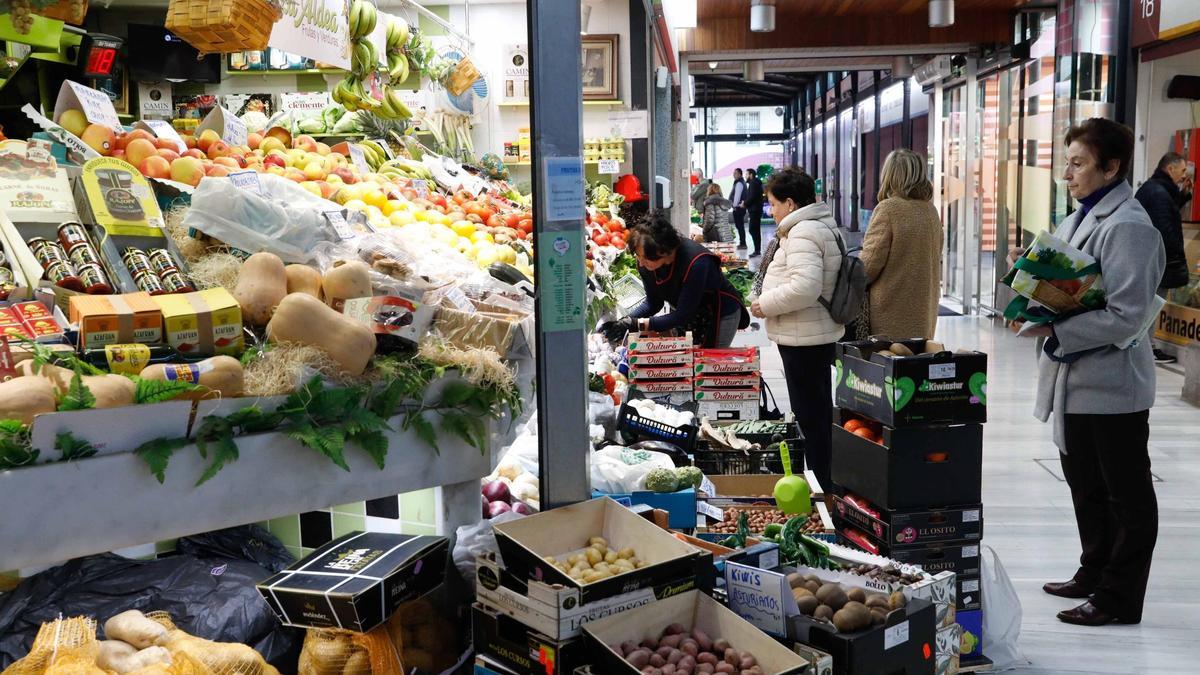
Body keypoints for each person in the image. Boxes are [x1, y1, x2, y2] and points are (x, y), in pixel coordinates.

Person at [1011, 118, 1162, 627]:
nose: (1066, 174)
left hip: (1113, 386)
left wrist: (1055, 333)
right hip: (1077, 381)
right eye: (1067, 162)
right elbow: (1074, 284)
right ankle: (1094, 568)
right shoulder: (1086, 214)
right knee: (1086, 484)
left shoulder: (1130, 227)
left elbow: (1125, 313)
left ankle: (1118, 597)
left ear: (1111, 167)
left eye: (1078, 163)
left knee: (1126, 495)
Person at [748, 168, 843, 488]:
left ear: (790, 203)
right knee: (815, 412)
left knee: (812, 416)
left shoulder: (803, 232)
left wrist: (766, 304)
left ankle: (822, 485)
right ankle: (823, 478)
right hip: (810, 332)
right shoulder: (814, 226)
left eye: (773, 204)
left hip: (806, 338)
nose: (770, 210)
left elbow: (805, 287)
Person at [604, 212, 748, 348]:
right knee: (687, 361)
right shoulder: (646, 263)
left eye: (646, 258)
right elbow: (653, 303)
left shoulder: (697, 262)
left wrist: (637, 324)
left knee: (708, 364)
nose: (641, 264)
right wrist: (624, 321)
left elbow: (683, 315)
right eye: (638, 256)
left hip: (719, 312)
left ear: (663, 251)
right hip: (688, 313)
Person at [859, 149, 943, 339]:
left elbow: (869, 266)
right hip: (924, 308)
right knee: (915, 363)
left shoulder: (888, 209)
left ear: (889, 175)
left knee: (889, 364)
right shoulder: (931, 211)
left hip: (891, 310)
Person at [1135, 151, 1194, 363]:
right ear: (1170, 169)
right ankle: (1146, 348)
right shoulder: (1159, 193)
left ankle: (1145, 346)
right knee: (1152, 305)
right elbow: (1165, 229)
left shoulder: (1155, 189)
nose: (1185, 173)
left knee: (1150, 305)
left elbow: (1164, 212)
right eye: (1182, 169)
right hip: (1156, 263)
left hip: (1148, 260)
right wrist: (1175, 259)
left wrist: (1184, 196)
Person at [745, 168, 765, 256]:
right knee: (754, 229)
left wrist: (744, 203)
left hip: (755, 210)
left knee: (753, 229)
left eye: (746, 174)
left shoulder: (753, 183)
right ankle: (757, 250)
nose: (745, 176)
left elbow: (752, 197)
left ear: (751, 175)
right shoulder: (755, 182)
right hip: (755, 209)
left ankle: (757, 250)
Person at [730, 168, 748, 249]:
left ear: (740, 174)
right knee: (740, 226)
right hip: (739, 208)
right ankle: (742, 243)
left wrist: (734, 205)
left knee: (740, 226)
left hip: (738, 208)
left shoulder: (739, 183)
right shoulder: (740, 182)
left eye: (736, 173)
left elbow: (737, 196)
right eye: (733, 173)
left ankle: (743, 244)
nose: (734, 174)